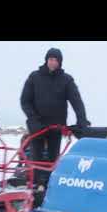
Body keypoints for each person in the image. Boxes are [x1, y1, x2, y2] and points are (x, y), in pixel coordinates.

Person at [20, 48, 91, 186]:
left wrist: (81, 119)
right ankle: (34, 188)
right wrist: (33, 119)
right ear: (46, 60)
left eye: (56, 60)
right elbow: (25, 101)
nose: (53, 62)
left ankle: (49, 187)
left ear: (60, 62)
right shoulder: (34, 77)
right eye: (50, 59)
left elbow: (76, 101)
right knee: (36, 159)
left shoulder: (66, 80)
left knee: (53, 160)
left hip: (55, 127)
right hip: (37, 127)